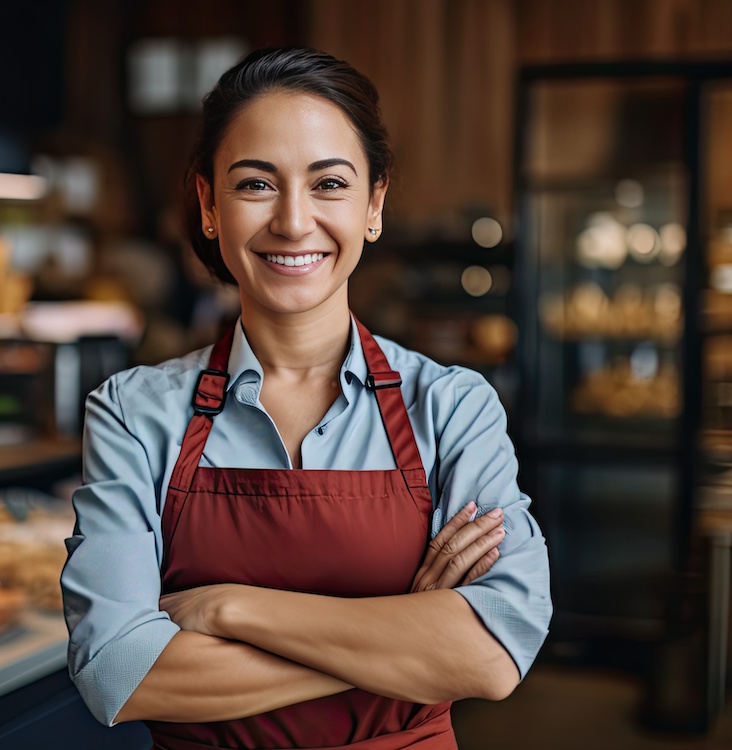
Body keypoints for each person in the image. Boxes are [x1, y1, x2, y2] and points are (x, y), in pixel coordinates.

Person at [62, 47, 551, 749]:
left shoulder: (450, 406)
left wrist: (233, 608)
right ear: (208, 205)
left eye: (328, 184)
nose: (292, 222)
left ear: (373, 204)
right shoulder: (134, 413)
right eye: (256, 184)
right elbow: (119, 675)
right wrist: (403, 631)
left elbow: (492, 655)